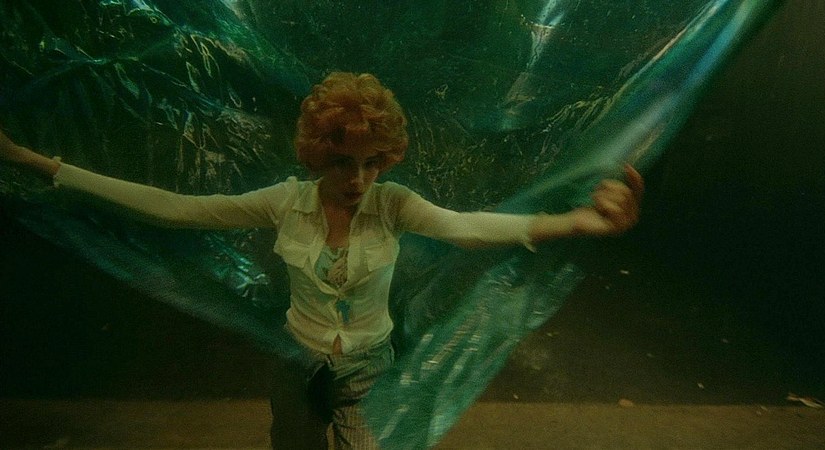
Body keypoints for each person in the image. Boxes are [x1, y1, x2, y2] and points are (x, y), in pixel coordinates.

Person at [0, 72, 643, 449]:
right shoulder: (286, 202)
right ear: (316, 154)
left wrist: (577, 221)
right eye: (342, 162)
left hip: (366, 371)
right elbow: (176, 208)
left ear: (386, 159)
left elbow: (468, 227)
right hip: (297, 363)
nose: (358, 179)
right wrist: (40, 164)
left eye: (371, 162)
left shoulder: (392, 204)